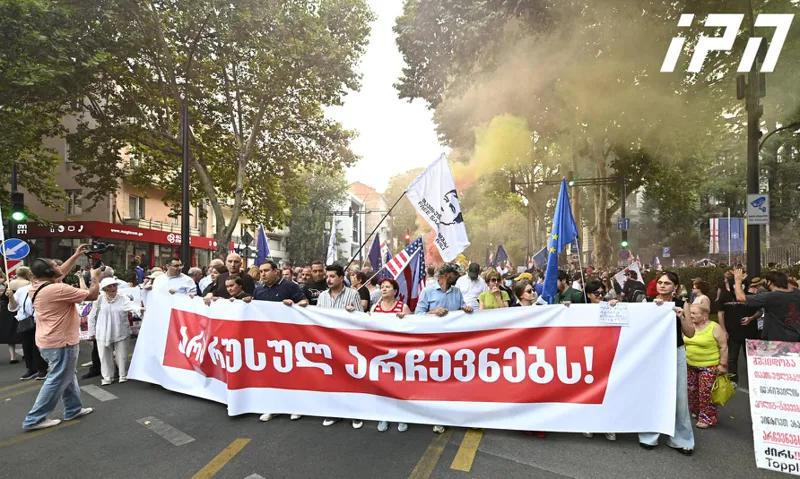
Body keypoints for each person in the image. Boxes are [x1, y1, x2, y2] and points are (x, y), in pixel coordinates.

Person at [22, 246, 100, 431]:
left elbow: (60, 272)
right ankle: (34, 419)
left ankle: (73, 409)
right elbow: (92, 295)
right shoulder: (57, 289)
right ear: (50, 272)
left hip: (48, 340)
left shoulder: (38, 285)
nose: (59, 266)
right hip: (61, 342)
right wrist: (95, 277)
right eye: (54, 265)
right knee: (57, 379)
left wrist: (76, 255)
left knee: (67, 375)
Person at [638, 271, 695, 455]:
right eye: (660, 282)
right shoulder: (646, 302)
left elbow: (690, 333)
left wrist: (681, 317)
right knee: (652, 393)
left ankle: (681, 439)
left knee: (679, 397)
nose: (662, 286)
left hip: (675, 352)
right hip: (653, 354)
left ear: (675, 287)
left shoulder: (682, 304)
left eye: (667, 283)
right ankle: (649, 435)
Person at [415, 263, 473, 434]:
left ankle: (454, 415)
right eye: (455, 274)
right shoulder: (427, 291)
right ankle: (437, 418)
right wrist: (432, 313)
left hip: (454, 345)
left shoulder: (457, 292)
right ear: (447, 275)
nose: (458, 277)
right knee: (437, 383)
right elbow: (417, 315)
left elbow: (461, 309)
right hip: (434, 345)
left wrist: (465, 309)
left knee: (454, 381)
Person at [254, 260, 307, 423]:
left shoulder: (290, 286)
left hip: (289, 338)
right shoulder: (259, 290)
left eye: (266, 271)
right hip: (267, 339)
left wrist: (294, 304)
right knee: (271, 374)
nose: (262, 274)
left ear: (276, 271)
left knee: (291, 373)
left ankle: (295, 407)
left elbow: (305, 302)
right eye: (261, 271)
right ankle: (274, 406)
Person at [317, 264, 364, 429]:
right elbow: (316, 318)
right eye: (327, 276)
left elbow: (362, 321)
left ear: (340, 277)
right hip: (328, 344)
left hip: (347, 344)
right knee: (332, 379)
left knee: (350, 378)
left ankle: (354, 414)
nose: (328, 280)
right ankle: (334, 412)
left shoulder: (353, 294)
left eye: (332, 276)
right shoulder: (322, 296)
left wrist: (353, 313)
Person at [370, 278, 411, 433]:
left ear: (395, 291)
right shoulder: (375, 307)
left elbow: (413, 328)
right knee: (383, 384)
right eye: (382, 287)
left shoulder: (403, 307)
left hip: (399, 352)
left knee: (400, 384)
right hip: (381, 353)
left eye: (387, 287)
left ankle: (402, 416)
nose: (384, 289)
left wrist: (405, 318)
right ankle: (384, 416)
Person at [88, 277, 143, 385]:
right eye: (110, 286)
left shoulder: (123, 298)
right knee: (104, 356)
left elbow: (130, 306)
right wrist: (91, 332)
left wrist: (139, 309)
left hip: (120, 330)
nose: (113, 288)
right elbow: (92, 316)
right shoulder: (99, 299)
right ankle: (107, 377)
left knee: (121, 355)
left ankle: (122, 375)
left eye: (115, 285)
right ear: (104, 289)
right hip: (102, 332)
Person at [581, 279, 617, 441]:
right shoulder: (579, 310)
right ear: (588, 295)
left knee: (608, 391)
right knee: (589, 391)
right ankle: (589, 423)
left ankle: (608, 425)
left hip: (607, 353)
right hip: (587, 355)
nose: (601, 296)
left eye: (603, 293)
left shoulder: (611, 307)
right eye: (597, 294)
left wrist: (618, 306)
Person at [684, 303, 727, 429]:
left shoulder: (714, 327)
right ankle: (697, 411)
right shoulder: (689, 327)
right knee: (692, 391)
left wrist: (723, 365)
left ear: (704, 315)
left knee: (705, 393)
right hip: (690, 364)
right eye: (690, 313)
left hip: (709, 366)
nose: (691, 316)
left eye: (694, 313)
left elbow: (723, 346)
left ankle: (707, 418)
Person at [733, 269, 800, 342]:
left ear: (770, 282)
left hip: (777, 340)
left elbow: (740, 297)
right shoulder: (796, 293)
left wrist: (737, 281)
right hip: (795, 336)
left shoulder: (771, 297)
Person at [7, 267, 48, 380]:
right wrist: (11, 298)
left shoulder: (45, 288)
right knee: (27, 346)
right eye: (33, 276)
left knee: (38, 347)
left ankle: (42, 369)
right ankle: (30, 369)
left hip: (40, 321)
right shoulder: (22, 290)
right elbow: (13, 307)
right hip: (25, 321)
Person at [0, 270, 20, 364]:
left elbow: (5, 280)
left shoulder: (10, 284)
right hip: (8, 311)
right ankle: (13, 357)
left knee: (16, 332)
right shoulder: (9, 284)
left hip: (12, 310)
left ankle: (14, 356)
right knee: (12, 333)